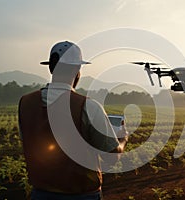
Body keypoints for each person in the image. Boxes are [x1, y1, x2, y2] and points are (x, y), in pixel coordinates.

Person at [18, 41, 128, 200]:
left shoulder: (25, 103)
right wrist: (122, 139)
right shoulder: (88, 106)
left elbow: (28, 140)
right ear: (77, 70)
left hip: (39, 194)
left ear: (51, 68)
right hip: (82, 195)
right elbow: (111, 157)